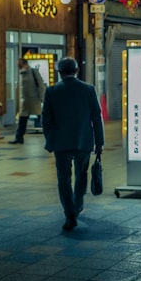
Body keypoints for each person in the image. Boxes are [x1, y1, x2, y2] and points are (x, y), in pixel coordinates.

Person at [42, 57, 104, 232]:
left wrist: (51, 140)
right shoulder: (89, 90)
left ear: (60, 73)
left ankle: (69, 214)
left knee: (63, 178)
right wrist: (99, 143)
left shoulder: (51, 91)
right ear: (77, 71)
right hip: (84, 141)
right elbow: (96, 119)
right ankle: (78, 204)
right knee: (81, 174)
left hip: (60, 143)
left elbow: (46, 120)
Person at [10, 58, 45, 144]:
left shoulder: (33, 72)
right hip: (25, 101)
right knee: (22, 120)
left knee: (42, 119)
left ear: (25, 64)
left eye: (20, 64)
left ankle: (50, 136)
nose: (18, 66)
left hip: (35, 100)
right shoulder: (21, 73)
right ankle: (19, 138)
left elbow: (41, 85)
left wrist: (42, 98)